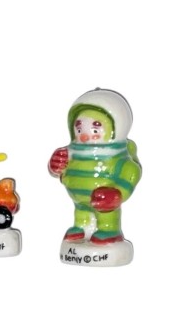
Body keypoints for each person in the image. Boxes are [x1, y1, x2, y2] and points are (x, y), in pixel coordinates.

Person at [48, 89, 141, 244]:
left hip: (105, 201)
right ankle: (83, 226)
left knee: (106, 213)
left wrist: (117, 194)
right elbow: (57, 171)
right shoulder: (71, 152)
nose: (85, 136)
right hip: (79, 200)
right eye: (79, 129)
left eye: (95, 129)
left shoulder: (117, 157)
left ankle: (109, 229)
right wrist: (55, 166)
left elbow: (132, 173)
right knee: (81, 210)